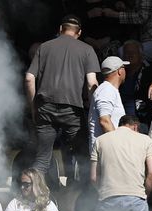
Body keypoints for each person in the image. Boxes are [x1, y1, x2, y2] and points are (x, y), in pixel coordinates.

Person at [25, 16, 100, 180]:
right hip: (73, 110)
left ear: (60, 29)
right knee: (84, 157)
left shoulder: (44, 47)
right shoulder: (87, 50)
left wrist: (33, 107)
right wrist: (94, 113)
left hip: (45, 108)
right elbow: (91, 83)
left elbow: (29, 78)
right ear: (79, 32)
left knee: (42, 159)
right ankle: (87, 200)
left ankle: (35, 200)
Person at [88, 56, 128, 155]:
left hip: (108, 151)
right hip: (107, 152)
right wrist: (118, 146)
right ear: (120, 71)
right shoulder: (107, 90)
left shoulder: (109, 90)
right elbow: (105, 121)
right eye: (124, 68)